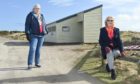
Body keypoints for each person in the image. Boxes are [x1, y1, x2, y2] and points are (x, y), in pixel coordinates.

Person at [25, 4, 48, 70]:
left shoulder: (42, 15)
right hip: (33, 35)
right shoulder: (30, 15)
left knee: (38, 50)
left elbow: (44, 24)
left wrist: (46, 30)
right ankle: (30, 64)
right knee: (32, 49)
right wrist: (27, 33)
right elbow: (27, 25)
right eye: (36, 8)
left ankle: (37, 63)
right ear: (33, 9)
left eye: (39, 8)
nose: (37, 9)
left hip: (41, 35)